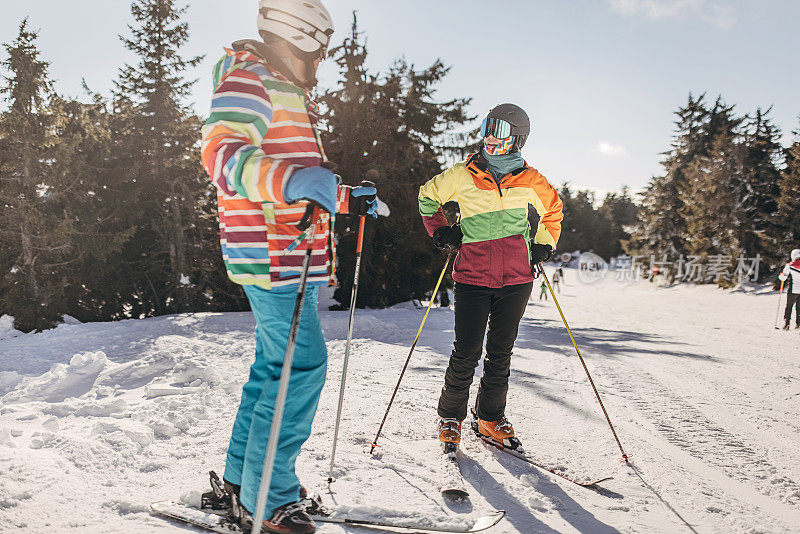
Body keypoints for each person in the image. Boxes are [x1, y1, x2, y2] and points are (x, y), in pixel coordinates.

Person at [200, 1, 378, 532]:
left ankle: (240, 481)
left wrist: (344, 198)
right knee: (299, 369)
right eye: (319, 52)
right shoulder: (249, 78)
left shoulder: (278, 87)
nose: (321, 64)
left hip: (283, 252)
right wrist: (299, 182)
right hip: (272, 256)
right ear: (298, 39)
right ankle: (268, 498)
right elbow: (222, 156)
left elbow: (295, 176)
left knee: (272, 371)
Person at [418, 103, 563, 450]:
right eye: (487, 128)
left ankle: (490, 418)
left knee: (501, 352)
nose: (490, 138)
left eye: (499, 132)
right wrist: (442, 232)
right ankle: (451, 417)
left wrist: (543, 244)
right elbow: (427, 196)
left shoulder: (531, 180)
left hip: (516, 279)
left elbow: (553, 212)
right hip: (472, 275)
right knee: (466, 350)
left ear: (517, 140)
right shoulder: (463, 174)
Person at [778, 248, 800, 330]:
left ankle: (787, 323)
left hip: (793, 290)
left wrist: (781, 276)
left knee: (789, 306)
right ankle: (798, 324)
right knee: (799, 308)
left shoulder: (790, 266)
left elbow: (783, 277)